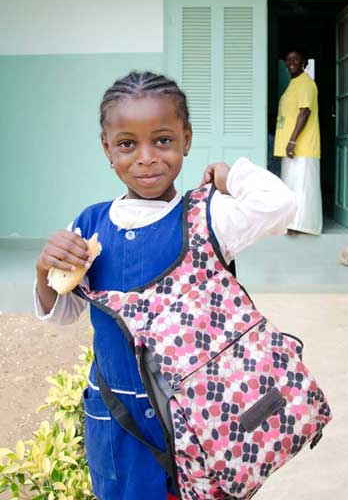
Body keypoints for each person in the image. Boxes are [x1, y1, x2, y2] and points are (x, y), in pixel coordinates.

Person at [34, 71, 296, 500]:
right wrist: (45, 269)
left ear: (186, 140)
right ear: (107, 149)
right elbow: (62, 312)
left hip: (202, 420)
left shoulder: (208, 216)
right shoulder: (89, 225)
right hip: (119, 425)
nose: (146, 158)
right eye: (126, 144)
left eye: (162, 140)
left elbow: (280, 205)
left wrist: (231, 177)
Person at [274, 49, 322, 235]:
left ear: (303, 61)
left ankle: (301, 226)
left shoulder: (305, 83)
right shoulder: (294, 83)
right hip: (293, 148)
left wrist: (292, 141)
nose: (291, 62)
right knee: (293, 187)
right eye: (288, 59)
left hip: (302, 147)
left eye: (295, 59)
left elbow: (305, 111)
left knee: (302, 188)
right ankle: (294, 224)